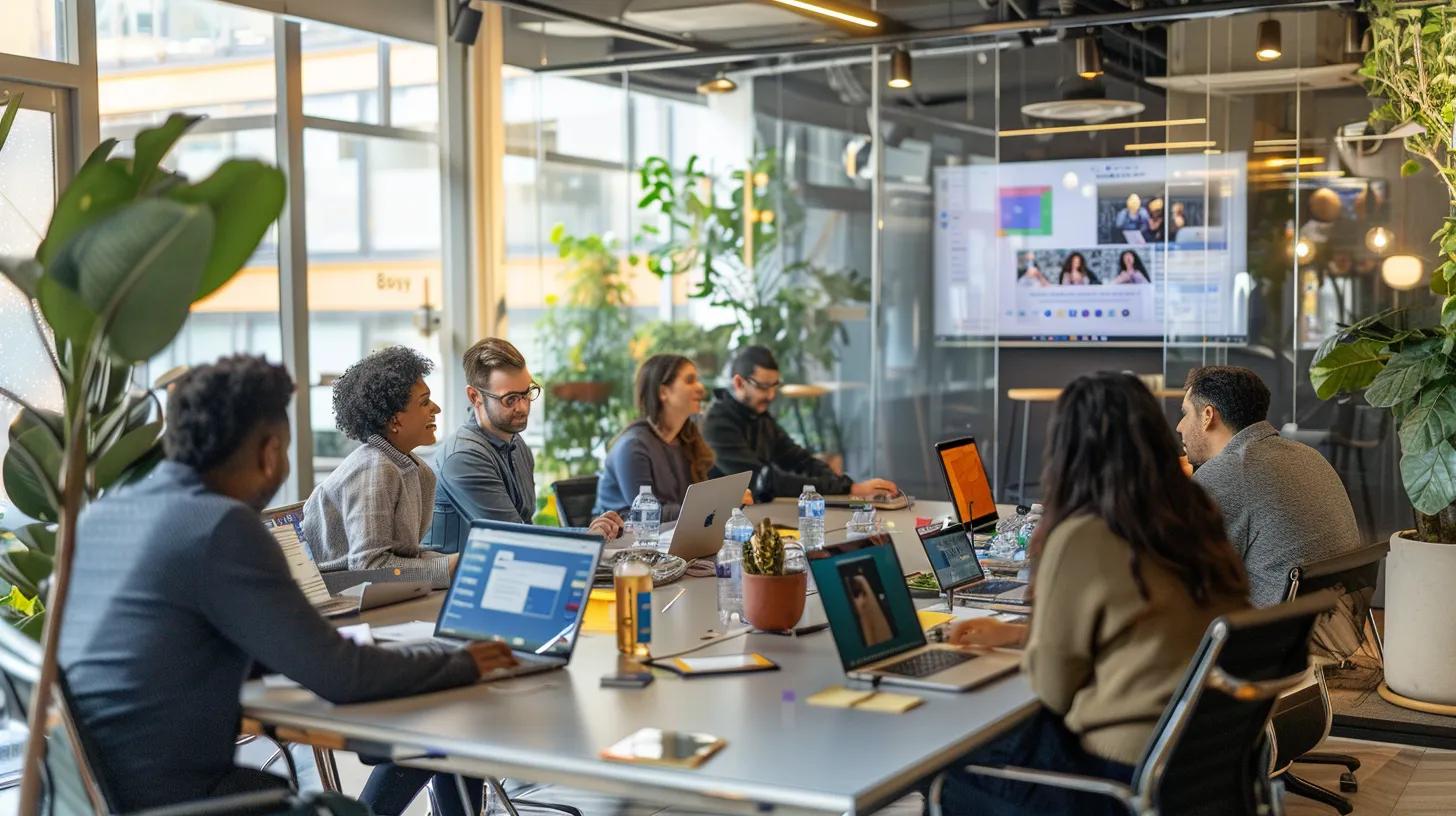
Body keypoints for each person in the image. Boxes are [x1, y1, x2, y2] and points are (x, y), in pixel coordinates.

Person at [58, 355, 516, 813]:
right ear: (269, 451)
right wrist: (462, 663)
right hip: (177, 798)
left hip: (88, 792)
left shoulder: (105, 517)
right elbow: (341, 677)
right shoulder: (223, 527)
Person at [944, 372, 1249, 815]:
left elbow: (1052, 690)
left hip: (1115, 772)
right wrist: (1020, 636)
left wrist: (1038, 645)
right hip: (1197, 762)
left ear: (1068, 449)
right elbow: (1142, 628)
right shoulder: (1194, 518)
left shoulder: (1083, 536)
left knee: (955, 770)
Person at [1177, 365, 1362, 607]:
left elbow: (1186, 579)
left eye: (1186, 413)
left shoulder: (1228, 471)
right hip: (1335, 629)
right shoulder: (1310, 457)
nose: (1180, 426)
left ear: (1207, 416)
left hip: (1269, 634)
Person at [426, 337, 623, 553]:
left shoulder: (517, 444)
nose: (522, 407)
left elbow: (525, 528)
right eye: (510, 399)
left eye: (526, 393)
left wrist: (591, 533)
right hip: (453, 583)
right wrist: (587, 535)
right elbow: (514, 537)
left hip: (502, 568)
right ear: (475, 397)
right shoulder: (463, 457)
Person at [302, 346, 454, 589]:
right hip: (336, 597)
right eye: (424, 402)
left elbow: (404, 559)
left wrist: (458, 564)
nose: (436, 408)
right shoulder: (374, 470)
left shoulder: (419, 471)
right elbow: (370, 566)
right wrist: (447, 567)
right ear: (395, 420)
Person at [704, 346, 898, 499]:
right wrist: (847, 488)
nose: (771, 395)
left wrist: (842, 484)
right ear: (739, 383)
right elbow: (763, 480)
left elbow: (798, 459)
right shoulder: (717, 424)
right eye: (763, 387)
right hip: (727, 524)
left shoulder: (759, 417)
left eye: (774, 387)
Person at [595, 354, 713, 521]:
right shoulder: (633, 447)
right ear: (663, 392)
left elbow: (693, 501)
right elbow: (646, 515)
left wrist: (725, 502)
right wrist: (708, 506)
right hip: (623, 543)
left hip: (670, 540)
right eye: (689, 380)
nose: (700, 387)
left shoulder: (687, 439)